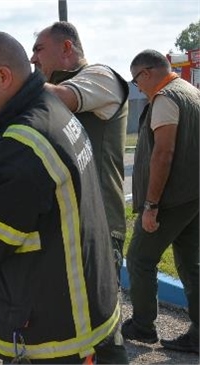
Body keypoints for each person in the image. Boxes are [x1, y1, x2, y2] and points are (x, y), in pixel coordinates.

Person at [0, 31, 127, 364]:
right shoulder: (52, 110)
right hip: (89, 312)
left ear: (3, 77)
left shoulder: (23, 145)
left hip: (59, 338)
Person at [30, 21, 129, 282]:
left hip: (99, 224)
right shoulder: (46, 90)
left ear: (66, 47)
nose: (32, 59)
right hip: (67, 223)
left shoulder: (101, 77)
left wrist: (13, 77)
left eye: (38, 49)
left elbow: (62, 97)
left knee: (99, 310)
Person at [120, 49, 199, 354]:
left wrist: (151, 205)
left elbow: (163, 153)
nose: (138, 86)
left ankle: (142, 325)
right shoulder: (191, 92)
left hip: (170, 199)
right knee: (192, 264)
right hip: (193, 195)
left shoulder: (166, 98)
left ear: (148, 73)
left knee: (139, 258)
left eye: (137, 79)